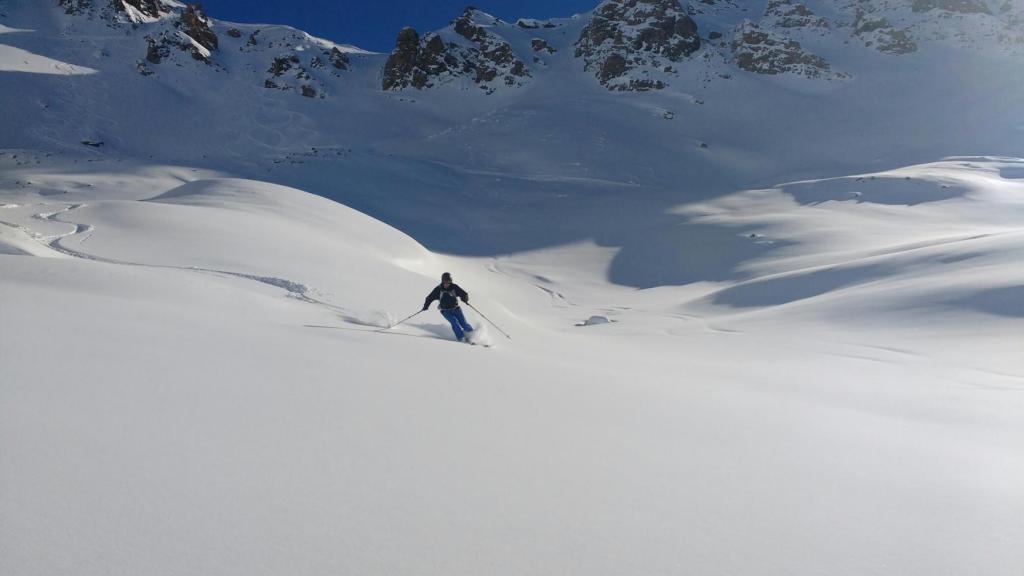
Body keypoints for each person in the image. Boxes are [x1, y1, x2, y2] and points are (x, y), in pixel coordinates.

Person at [423, 272, 474, 342]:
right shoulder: (438, 289)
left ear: (451, 281)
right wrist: (426, 306)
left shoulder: (454, 287)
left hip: (456, 309)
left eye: (448, 282)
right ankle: (461, 338)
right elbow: (429, 298)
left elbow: (464, 294)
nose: (446, 284)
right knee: (454, 322)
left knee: (464, 324)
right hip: (445, 311)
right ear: (442, 281)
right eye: (445, 282)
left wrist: (464, 299)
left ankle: (472, 336)